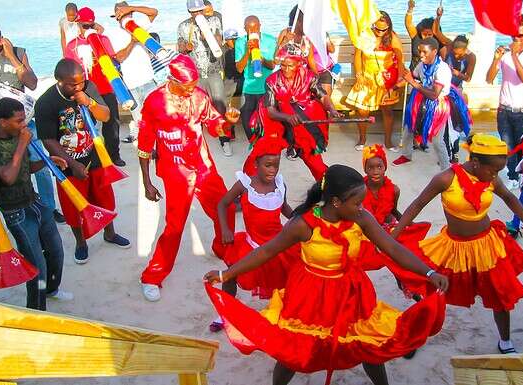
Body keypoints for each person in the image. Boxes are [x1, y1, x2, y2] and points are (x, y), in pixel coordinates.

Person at [204, 164, 448, 385]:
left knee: (367, 343)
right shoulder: (303, 225)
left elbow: (392, 248)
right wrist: (226, 274)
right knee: (295, 351)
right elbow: (266, 251)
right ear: (335, 202)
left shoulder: (361, 218)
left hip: (352, 294)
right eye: (356, 203)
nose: (361, 208)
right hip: (310, 296)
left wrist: (428, 272)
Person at [392, 134, 523, 354]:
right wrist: (393, 236)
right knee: (433, 292)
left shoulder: (490, 178)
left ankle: (506, 342)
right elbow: (417, 204)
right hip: (453, 248)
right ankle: (415, 337)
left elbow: (509, 198)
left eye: (498, 172)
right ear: (475, 162)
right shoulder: (445, 179)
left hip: (486, 245)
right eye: (493, 170)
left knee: (498, 294)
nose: (496, 175)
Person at [137, 55, 240, 302]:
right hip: (176, 173)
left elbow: (214, 125)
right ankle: (152, 276)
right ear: (172, 80)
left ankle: (221, 248)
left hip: (203, 166)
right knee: (174, 227)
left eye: (194, 86)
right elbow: (144, 146)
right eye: (187, 87)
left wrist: (226, 122)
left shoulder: (198, 96)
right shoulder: (154, 102)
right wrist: (147, 182)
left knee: (223, 209)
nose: (192, 91)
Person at [0, 98, 73, 310]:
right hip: (16, 212)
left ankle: (51, 290)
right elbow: (8, 177)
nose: (24, 125)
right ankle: (37, 311)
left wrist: (48, 161)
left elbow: (25, 167)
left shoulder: (16, 136)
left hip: (35, 201)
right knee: (35, 266)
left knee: (56, 251)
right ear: (3, 122)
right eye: (19, 121)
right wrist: (23, 143)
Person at [35, 59, 131, 264]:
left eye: (81, 82)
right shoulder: (46, 102)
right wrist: (72, 163)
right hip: (67, 162)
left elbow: (105, 116)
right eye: (72, 84)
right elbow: (48, 139)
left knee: (105, 197)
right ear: (59, 81)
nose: (79, 87)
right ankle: (81, 243)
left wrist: (90, 102)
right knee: (73, 206)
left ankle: (109, 233)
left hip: (94, 154)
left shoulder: (89, 88)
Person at [0, 22, 64, 224]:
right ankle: (27, 203)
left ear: (1, 40)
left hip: (23, 122)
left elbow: (32, 83)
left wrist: (12, 58)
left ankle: (50, 208)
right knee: (12, 169)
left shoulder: (17, 52)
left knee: (40, 167)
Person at [209, 135, 295, 332]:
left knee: (286, 282)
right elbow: (223, 204)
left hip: (278, 246)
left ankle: (286, 315)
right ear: (256, 164)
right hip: (251, 244)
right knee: (230, 276)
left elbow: (285, 209)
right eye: (268, 165)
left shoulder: (280, 185)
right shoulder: (245, 185)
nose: (272, 170)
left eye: (276, 165)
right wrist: (226, 229)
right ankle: (224, 313)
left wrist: (302, 217)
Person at [247, 45, 341, 181]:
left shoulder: (310, 77)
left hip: (302, 120)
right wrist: (287, 117)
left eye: (290, 66)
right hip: (275, 121)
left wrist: (332, 109)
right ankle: (249, 186)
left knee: (314, 161)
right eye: (283, 65)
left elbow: (323, 96)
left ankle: (325, 188)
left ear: (299, 63)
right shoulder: (272, 81)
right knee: (264, 156)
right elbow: (271, 111)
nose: (286, 69)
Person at [393, 38, 471, 170]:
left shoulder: (442, 69)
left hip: (438, 105)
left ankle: (446, 169)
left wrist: (412, 82)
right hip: (421, 99)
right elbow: (414, 75)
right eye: (419, 51)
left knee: (437, 141)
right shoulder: (422, 64)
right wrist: (397, 84)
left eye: (424, 52)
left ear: (434, 51)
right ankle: (406, 155)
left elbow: (434, 95)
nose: (421, 55)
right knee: (408, 129)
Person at [486, 15, 523, 191]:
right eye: (513, 36)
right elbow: (489, 79)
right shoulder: (505, 54)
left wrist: (515, 56)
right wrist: (496, 59)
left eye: (520, 35)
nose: (516, 39)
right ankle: (512, 177)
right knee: (507, 147)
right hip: (504, 109)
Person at [65, 7, 126, 167]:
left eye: (91, 25)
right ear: (78, 24)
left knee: (112, 123)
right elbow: (68, 70)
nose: (88, 29)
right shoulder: (72, 45)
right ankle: (91, 157)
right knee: (86, 125)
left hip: (105, 87)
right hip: (85, 90)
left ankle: (114, 155)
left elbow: (113, 62)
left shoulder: (103, 39)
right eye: (85, 26)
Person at [178, 0, 230, 156]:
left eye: (199, 10)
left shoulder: (214, 20)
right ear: (189, 12)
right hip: (196, 73)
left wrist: (208, 36)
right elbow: (179, 48)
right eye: (194, 12)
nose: (197, 14)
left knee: (220, 104)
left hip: (213, 70)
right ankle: (196, 142)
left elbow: (220, 42)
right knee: (196, 107)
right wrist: (185, 48)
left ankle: (224, 140)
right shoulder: (183, 26)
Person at [346, 11, 404, 151]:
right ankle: (362, 138)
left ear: (388, 27)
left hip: (386, 79)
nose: (380, 32)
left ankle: (388, 141)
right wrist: (359, 74)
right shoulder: (365, 36)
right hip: (367, 78)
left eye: (384, 29)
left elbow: (400, 60)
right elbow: (358, 56)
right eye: (377, 28)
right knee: (362, 110)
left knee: (388, 110)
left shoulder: (393, 37)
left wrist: (399, 81)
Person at [108, 2, 159, 145]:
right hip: (131, 85)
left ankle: (159, 145)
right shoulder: (113, 34)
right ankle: (148, 147)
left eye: (124, 14)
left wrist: (132, 8)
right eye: (119, 16)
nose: (122, 18)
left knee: (156, 116)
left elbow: (154, 11)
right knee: (140, 120)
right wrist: (132, 41)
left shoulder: (139, 25)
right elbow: (119, 57)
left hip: (148, 80)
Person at [235, 15, 276, 141]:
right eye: (249, 30)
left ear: (260, 27)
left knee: (268, 121)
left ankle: (265, 146)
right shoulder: (240, 42)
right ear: (244, 29)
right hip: (249, 89)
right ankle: (254, 145)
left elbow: (272, 65)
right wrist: (248, 52)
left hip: (266, 88)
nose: (253, 32)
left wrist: (260, 58)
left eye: (255, 29)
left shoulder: (270, 40)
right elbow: (239, 69)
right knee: (247, 121)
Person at [433, 8, 476, 93]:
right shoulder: (450, 44)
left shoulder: (471, 57)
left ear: (465, 49)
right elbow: (436, 32)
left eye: (459, 55)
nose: (456, 56)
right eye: (454, 53)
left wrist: (457, 73)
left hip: (457, 87)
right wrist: (438, 17)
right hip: (442, 84)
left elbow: (468, 79)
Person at [361, 144, 401, 226]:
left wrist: (409, 223)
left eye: (379, 167)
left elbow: (394, 211)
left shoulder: (395, 190)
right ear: (365, 170)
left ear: (385, 167)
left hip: (386, 228)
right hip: (364, 229)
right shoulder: (358, 190)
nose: (375, 172)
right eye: (370, 168)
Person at [405, 0, 438, 71]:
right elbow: (408, 24)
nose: (427, 37)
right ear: (420, 31)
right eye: (424, 34)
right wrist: (410, 9)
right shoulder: (416, 37)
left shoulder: (436, 40)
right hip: (414, 73)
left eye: (430, 34)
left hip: (430, 74)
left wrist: (438, 17)